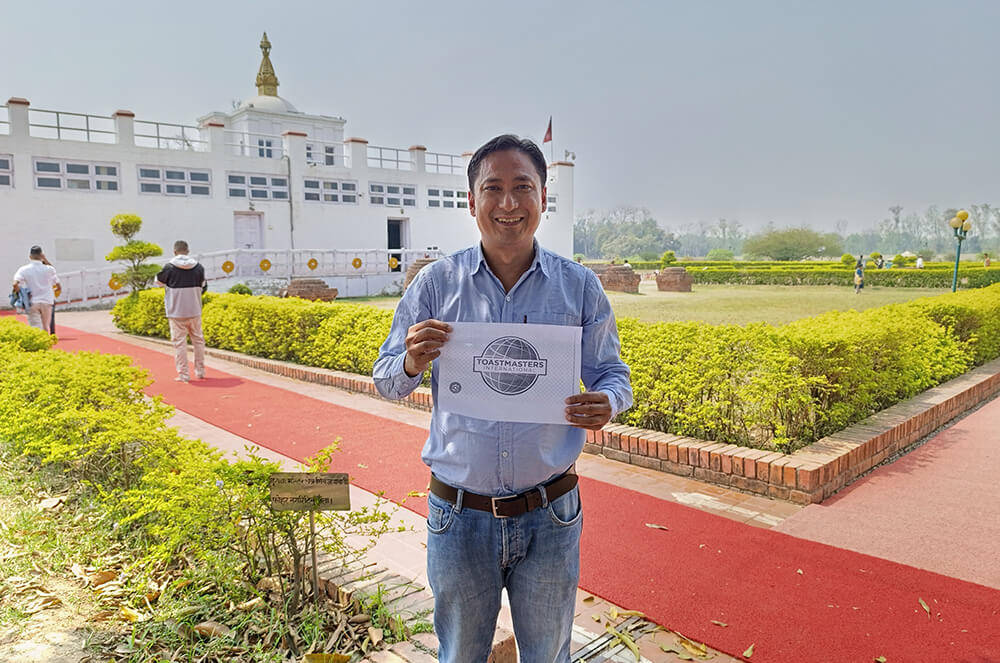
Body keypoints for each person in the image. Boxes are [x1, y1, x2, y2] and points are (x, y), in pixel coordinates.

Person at [373, 134, 632, 663]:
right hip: (459, 515)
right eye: (493, 188)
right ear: (471, 201)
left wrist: (608, 401)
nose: (508, 204)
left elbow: (613, 373)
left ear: (543, 198)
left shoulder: (578, 287)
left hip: (551, 514)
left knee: (548, 655)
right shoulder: (435, 285)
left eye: (523, 188)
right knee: (460, 655)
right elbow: (385, 379)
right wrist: (412, 361)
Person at [156, 240, 207, 382]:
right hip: (195, 310)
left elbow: (159, 282)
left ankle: (184, 374)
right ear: (188, 251)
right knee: (198, 341)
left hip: (176, 312)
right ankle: (200, 371)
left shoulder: (169, 267)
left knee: (179, 343)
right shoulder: (199, 268)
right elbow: (203, 286)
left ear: (174, 251)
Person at [11, 245, 60, 333]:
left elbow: (15, 284)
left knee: (35, 328)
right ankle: (45, 344)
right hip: (47, 301)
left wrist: (20, 293)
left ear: (30, 257)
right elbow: (57, 283)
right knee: (46, 327)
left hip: (32, 301)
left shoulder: (23, 269)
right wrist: (44, 259)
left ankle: (38, 345)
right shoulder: (49, 269)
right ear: (41, 255)